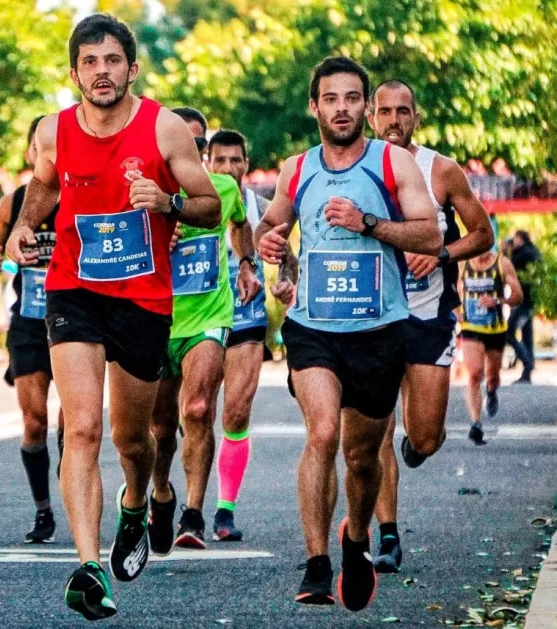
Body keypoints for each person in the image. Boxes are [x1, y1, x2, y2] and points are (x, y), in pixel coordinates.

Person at [4, 14, 221, 621]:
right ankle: (89, 566)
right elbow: (43, 189)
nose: (102, 71)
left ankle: (138, 501)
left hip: (143, 300)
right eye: (90, 62)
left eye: (112, 60)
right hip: (74, 291)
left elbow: (207, 205)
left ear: (132, 67)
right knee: (81, 429)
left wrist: (168, 201)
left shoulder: (164, 128)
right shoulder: (53, 132)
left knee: (134, 438)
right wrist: (24, 228)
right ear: (74, 72)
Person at [256, 56, 442, 612]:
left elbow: (429, 235)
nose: (342, 108)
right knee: (321, 435)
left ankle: (356, 541)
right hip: (314, 328)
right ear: (314, 106)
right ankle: (316, 565)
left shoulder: (393, 165)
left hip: (379, 329)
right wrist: (272, 249)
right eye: (330, 99)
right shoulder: (297, 169)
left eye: (352, 98)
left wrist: (368, 224)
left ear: (365, 105)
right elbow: (274, 227)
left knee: (363, 458)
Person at [366, 79, 494, 573]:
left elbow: (482, 233)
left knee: (426, 437)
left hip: (427, 316)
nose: (393, 120)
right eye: (384, 111)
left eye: (403, 111)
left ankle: (417, 449)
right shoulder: (352, 168)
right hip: (371, 318)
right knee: (376, 427)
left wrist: (439, 254)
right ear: (371, 116)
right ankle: (388, 535)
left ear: (415, 117)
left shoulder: (441, 171)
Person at [148, 109, 262, 553]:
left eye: (199, 148)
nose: (192, 155)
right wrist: (159, 234)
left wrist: (248, 262)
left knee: (197, 409)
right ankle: (161, 494)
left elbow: (239, 223)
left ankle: (194, 512)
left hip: (209, 317)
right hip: (157, 319)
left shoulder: (223, 189)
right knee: (159, 427)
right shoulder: (146, 193)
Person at [0, 116, 64, 544]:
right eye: (38, 148)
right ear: (31, 154)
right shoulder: (10, 205)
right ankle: (43, 510)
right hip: (29, 322)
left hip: (74, 320)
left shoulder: (80, 199)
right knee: (35, 421)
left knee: (76, 421)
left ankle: (75, 481)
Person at [209, 129, 270, 541]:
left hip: (247, 318)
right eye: (221, 161)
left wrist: (286, 278)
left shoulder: (263, 209)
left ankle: (224, 510)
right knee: (189, 417)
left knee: (235, 412)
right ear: (207, 163)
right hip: (199, 320)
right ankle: (172, 496)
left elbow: (289, 258)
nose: (229, 168)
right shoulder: (195, 203)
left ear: (247, 163)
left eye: (237, 160)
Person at [458, 244, 523, 445]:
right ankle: (475, 424)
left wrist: (498, 301)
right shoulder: (462, 264)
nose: (481, 253)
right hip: (470, 327)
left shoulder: (502, 263)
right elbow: (448, 291)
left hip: (495, 329)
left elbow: (518, 296)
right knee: (475, 373)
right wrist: (457, 314)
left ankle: (492, 391)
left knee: (492, 376)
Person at [507, 230, 541, 384]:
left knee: (509, 332)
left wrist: (508, 251)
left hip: (523, 301)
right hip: (531, 300)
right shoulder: (534, 252)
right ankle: (528, 369)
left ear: (520, 238)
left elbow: (510, 267)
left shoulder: (522, 254)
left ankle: (528, 363)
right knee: (527, 334)